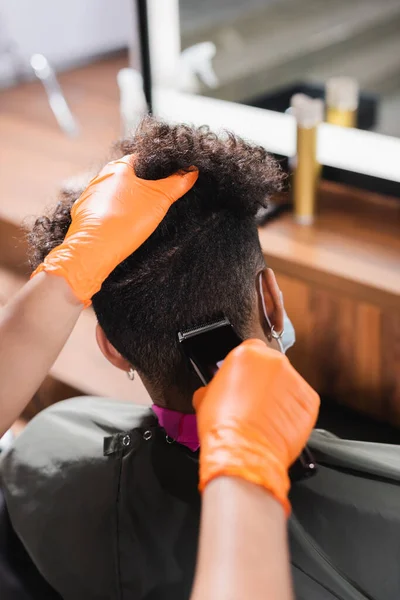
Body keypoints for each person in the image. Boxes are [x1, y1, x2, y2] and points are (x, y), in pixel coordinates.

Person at [1, 117, 316, 599]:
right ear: (271, 299)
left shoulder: (39, 454)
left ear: (109, 347)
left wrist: (67, 273)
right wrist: (245, 468)